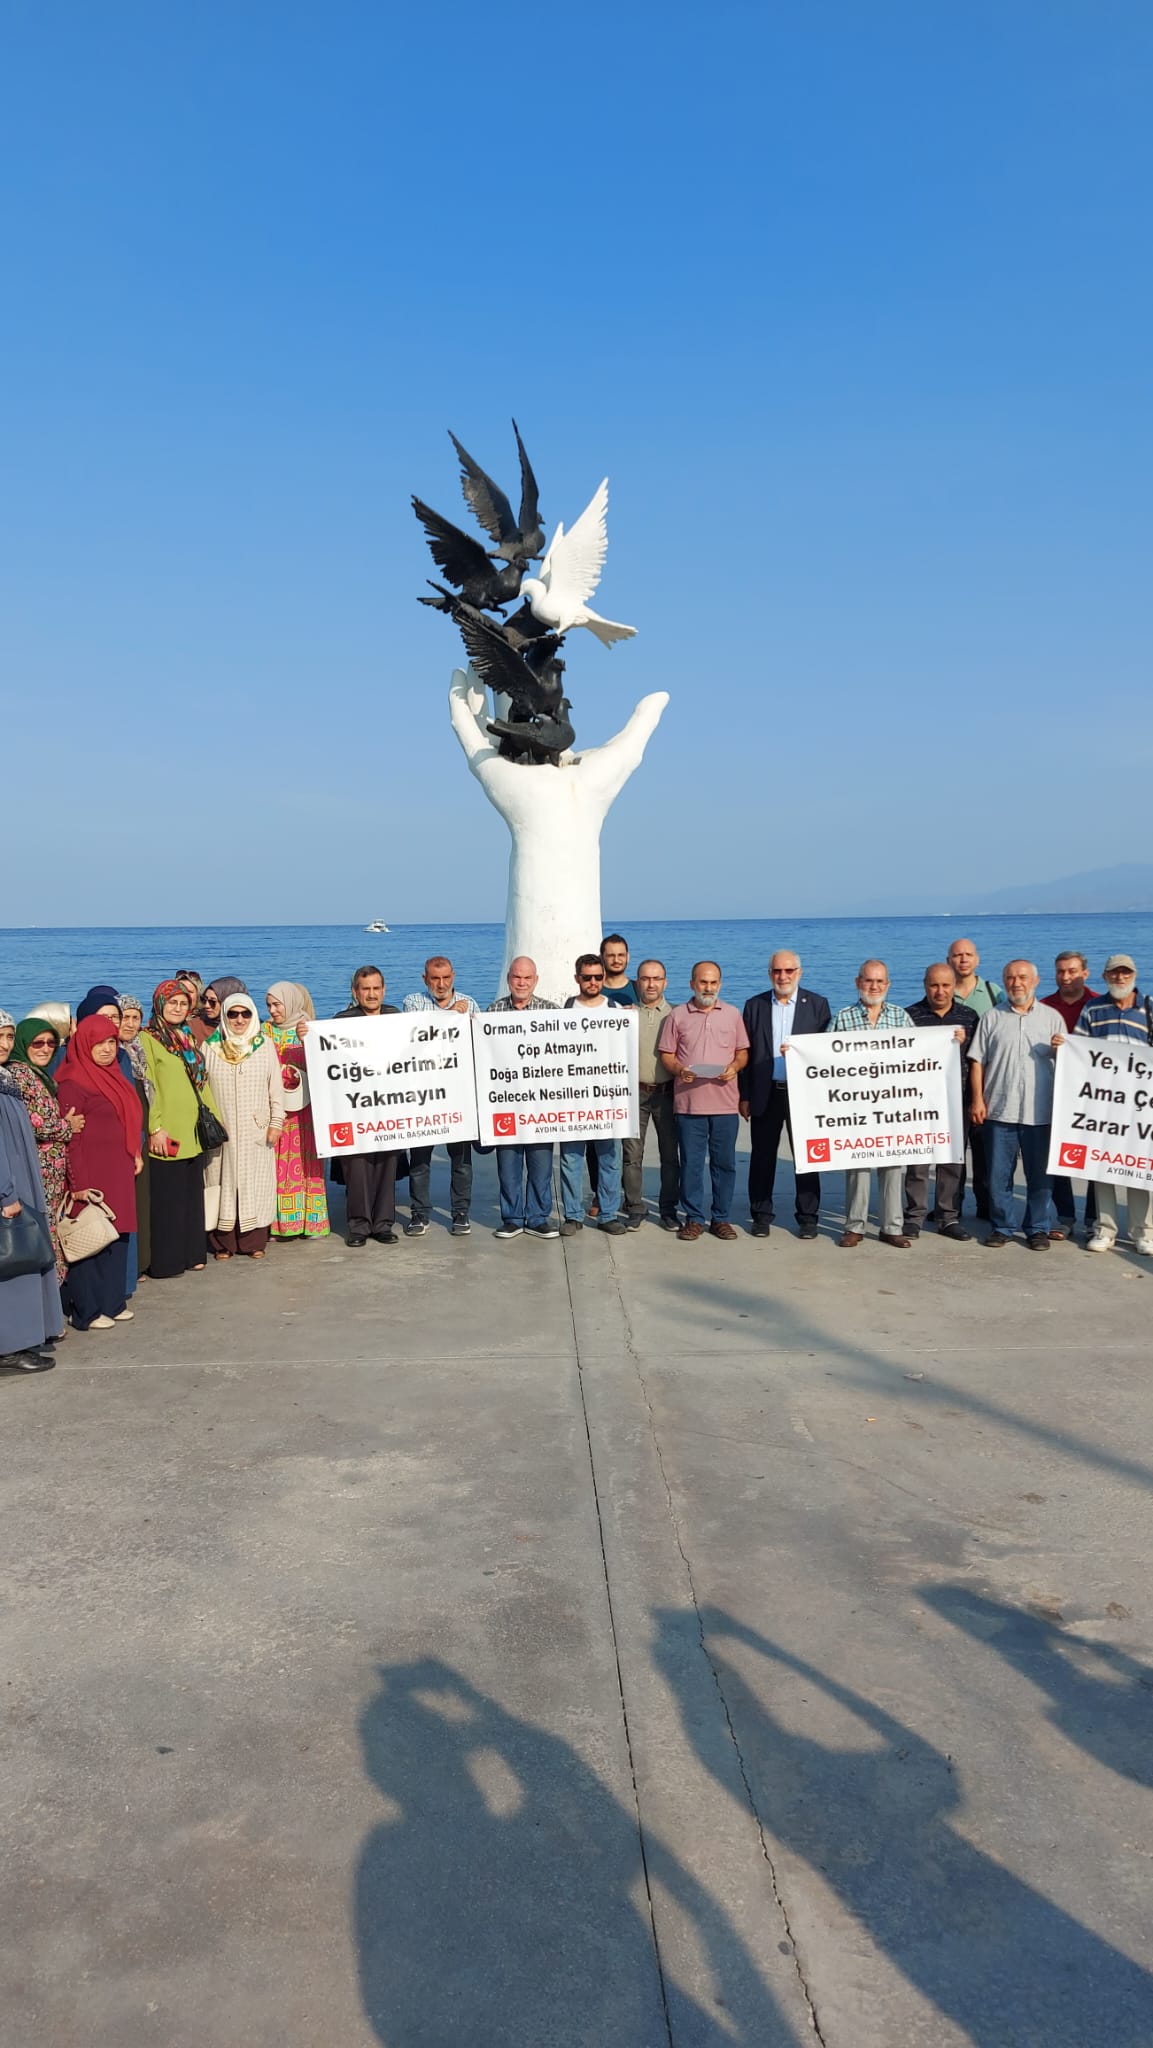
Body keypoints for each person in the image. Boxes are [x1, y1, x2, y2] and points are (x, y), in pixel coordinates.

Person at [55, 1015, 142, 1330]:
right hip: (91, 1172)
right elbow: (72, 1139)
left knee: (118, 1235)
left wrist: (135, 1152)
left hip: (118, 1168)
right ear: (83, 1043)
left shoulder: (114, 1075)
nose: (106, 1049)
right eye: (98, 1043)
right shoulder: (73, 1083)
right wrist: (78, 1183)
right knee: (90, 1239)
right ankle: (87, 1311)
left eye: (111, 1042)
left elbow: (128, 1117)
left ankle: (112, 1302)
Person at [968, 961, 1062, 1250]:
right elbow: (976, 1061)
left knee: (1041, 1177)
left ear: (1035, 980)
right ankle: (1003, 1226)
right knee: (998, 1176)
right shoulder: (991, 1017)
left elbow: (1071, 1065)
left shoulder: (1052, 1018)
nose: (1016, 983)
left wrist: (1062, 1051)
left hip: (1040, 1111)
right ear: (1004, 982)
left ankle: (1037, 1228)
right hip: (999, 1109)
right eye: (1010, 978)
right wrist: (977, 1099)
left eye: (1022, 977)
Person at [740, 951, 830, 1240]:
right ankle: (761, 1216)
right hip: (766, 1092)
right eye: (777, 971)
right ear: (770, 973)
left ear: (799, 973)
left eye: (789, 971)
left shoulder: (817, 1005)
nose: (783, 976)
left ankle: (808, 1217)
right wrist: (744, 1095)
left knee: (807, 1156)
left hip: (803, 1096)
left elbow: (828, 1052)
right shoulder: (754, 1006)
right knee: (762, 1157)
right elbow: (745, 1054)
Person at [659, 962, 749, 1242]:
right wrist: (679, 1070)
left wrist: (734, 1068)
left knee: (724, 1164)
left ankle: (721, 1218)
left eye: (712, 983)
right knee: (692, 1164)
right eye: (702, 982)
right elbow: (667, 1055)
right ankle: (694, 1218)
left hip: (724, 1105)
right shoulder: (677, 1016)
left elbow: (742, 1052)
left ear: (720, 984)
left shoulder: (733, 1014)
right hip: (689, 1106)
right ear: (691, 984)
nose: (707, 988)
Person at [829, 962, 916, 1249]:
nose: (874, 986)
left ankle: (892, 1227)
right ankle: (855, 1226)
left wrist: (950, 1043)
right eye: (868, 981)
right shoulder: (842, 1017)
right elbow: (823, 1060)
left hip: (892, 1104)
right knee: (858, 1165)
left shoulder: (901, 1017)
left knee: (893, 1166)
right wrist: (795, 1052)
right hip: (855, 1105)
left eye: (879, 981)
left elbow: (921, 1056)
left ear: (888, 984)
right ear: (858, 982)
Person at [1074, 955, 1153, 1256]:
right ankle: (1104, 1230)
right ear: (1105, 976)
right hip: (1103, 1103)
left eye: (1125, 973)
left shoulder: (1149, 1008)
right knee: (1103, 1166)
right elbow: (1079, 1050)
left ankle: (1143, 1232)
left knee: (1140, 1168)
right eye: (1114, 973)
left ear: (1134, 975)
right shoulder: (1093, 1009)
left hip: (1141, 1106)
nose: (1120, 978)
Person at [140, 980, 219, 1280]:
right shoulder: (148, 1039)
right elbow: (150, 1086)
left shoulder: (186, 1037)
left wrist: (216, 1121)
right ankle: (167, 1260)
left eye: (184, 1003)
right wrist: (155, 1127)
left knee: (190, 1196)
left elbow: (201, 1083)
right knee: (167, 1199)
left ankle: (192, 1253)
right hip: (168, 1131)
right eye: (172, 1002)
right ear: (160, 1004)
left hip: (192, 1129)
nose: (178, 1008)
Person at [402, 958, 479, 1236]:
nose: (441, 984)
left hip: (458, 1093)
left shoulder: (469, 1002)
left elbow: (480, 1044)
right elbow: (414, 1036)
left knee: (461, 1160)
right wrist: (450, 1017)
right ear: (425, 979)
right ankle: (419, 1214)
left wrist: (464, 1019)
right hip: (423, 1093)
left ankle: (461, 1213)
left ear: (453, 976)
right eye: (435, 978)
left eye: (446, 977)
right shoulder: (413, 1001)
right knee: (420, 1159)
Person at [203, 994, 285, 1259]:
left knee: (255, 1184)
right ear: (224, 1016)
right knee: (221, 1183)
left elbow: (276, 1089)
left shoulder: (264, 1047)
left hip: (256, 1131)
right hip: (221, 1133)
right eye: (233, 1014)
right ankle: (222, 1243)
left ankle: (253, 1243)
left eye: (245, 1014)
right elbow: (200, 1089)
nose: (239, 1020)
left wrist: (275, 1122)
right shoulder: (210, 1048)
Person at [901, 964, 976, 1243]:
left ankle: (948, 1216)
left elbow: (977, 1060)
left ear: (954, 985)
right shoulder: (910, 1016)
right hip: (919, 1101)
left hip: (957, 1099)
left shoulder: (968, 1017)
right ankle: (915, 1215)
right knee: (918, 1161)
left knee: (951, 1161)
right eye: (934, 985)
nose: (940, 991)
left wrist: (964, 1042)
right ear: (925, 985)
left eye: (945, 985)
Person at [487, 958, 559, 1241]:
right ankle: (512, 1218)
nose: (521, 983)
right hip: (505, 1102)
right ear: (508, 978)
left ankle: (539, 1217)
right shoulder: (493, 1011)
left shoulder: (550, 1011)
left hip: (539, 1104)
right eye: (517, 977)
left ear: (536, 980)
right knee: (508, 1166)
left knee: (541, 1165)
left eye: (527, 978)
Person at [0, 1059, 63, 1371]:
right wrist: (6, 1193)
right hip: (10, 1184)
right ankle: (10, 1347)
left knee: (24, 1261)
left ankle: (24, 1337)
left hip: (20, 1177)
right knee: (13, 1264)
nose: (4, 1043)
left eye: (8, 1036)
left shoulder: (6, 1078)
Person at [557, 955, 626, 1237]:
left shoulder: (617, 1010)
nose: (594, 982)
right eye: (588, 977)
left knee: (610, 1157)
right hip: (574, 1097)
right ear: (577, 979)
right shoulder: (566, 1010)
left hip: (608, 1098)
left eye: (598, 977)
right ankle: (572, 1215)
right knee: (571, 1158)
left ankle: (608, 1213)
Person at [8, 1017, 81, 1281]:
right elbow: (34, 1124)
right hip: (36, 1170)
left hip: (50, 1173)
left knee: (49, 1230)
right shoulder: (20, 1074)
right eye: (37, 1043)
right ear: (23, 1044)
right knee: (40, 1234)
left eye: (52, 1043)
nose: (46, 1048)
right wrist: (68, 1125)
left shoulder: (39, 1074)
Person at [333, 966, 401, 1247]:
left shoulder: (396, 1017)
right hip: (354, 1107)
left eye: (376, 988)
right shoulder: (341, 1021)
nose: (371, 994)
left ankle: (383, 1224)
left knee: (387, 1165)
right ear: (355, 992)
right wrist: (306, 1035)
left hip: (389, 1106)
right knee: (357, 1168)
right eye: (365, 989)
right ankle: (359, 1226)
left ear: (383, 990)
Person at [265, 982, 329, 1240]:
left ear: (290, 1002)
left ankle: (311, 1222)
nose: (272, 1009)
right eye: (269, 1004)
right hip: (278, 1110)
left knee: (307, 1163)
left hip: (306, 1110)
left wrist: (309, 1040)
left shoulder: (309, 1029)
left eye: (277, 1004)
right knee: (277, 1166)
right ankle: (281, 1223)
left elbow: (326, 1062)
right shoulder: (264, 1031)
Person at [1043, 951, 1101, 1238]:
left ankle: (1093, 1219)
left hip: (1095, 1095)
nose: (1066, 977)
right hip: (1056, 1093)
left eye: (1072, 971)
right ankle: (1065, 1216)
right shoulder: (1044, 1007)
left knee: (1095, 1156)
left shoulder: (1100, 1004)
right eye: (1060, 971)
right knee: (1059, 1156)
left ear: (1085, 973)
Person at [946, 940, 1003, 1220]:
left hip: (986, 1084)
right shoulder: (943, 991)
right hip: (949, 1087)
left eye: (968, 954)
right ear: (949, 960)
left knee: (984, 1151)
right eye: (957, 955)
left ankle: (986, 1205)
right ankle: (951, 1206)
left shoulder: (994, 993)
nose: (963, 959)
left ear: (977, 959)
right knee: (953, 1151)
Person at [621, 960, 680, 1230]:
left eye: (656, 979)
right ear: (638, 982)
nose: (651, 984)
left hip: (668, 1094)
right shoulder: (626, 1015)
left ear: (665, 982)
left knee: (670, 1155)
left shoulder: (677, 1015)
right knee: (632, 1155)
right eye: (645, 979)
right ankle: (635, 1207)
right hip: (636, 1094)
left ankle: (668, 1209)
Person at [118, 995, 153, 1278]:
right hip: (124, 1133)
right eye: (124, 1017)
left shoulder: (140, 1048)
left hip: (145, 1125)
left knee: (143, 1197)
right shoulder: (113, 1053)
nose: (129, 1024)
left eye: (134, 1018)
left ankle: (142, 1261)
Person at [191, 976, 249, 1047]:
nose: (206, 1005)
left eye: (212, 1001)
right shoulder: (192, 1027)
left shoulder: (252, 1027)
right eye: (204, 999)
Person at [600, 935, 638, 1007]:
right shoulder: (593, 990)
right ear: (601, 958)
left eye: (621, 955)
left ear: (628, 957)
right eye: (611, 955)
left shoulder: (639, 990)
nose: (616, 960)